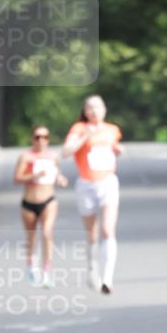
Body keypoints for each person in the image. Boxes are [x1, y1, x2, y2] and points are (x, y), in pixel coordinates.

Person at [62, 95, 123, 294]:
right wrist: (84, 137)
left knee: (107, 230)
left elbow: (112, 148)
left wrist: (117, 149)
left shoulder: (112, 129)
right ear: (85, 111)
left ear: (104, 109)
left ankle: (107, 278)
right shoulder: (78, 129)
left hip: (108, 182)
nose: (94, 111)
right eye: (90, 107)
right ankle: (92, 269)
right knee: (92, 234)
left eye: (97, 107)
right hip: (86, 184)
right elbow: (65, 152)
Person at [13, 126, 68, 287]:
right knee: (31, 237)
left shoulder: (53, 156)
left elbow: (57, 172)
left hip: (48, 201)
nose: (41, 140)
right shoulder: (25, 157)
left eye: (44, 137)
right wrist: (35, 175)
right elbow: (16, 179)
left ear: (48, 139)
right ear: (32, 139)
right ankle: (31, 267)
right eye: (37, 137)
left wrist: (61, 178)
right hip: (29, 203)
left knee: (47, 234)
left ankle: (46, 272)